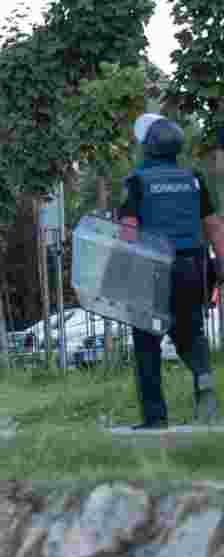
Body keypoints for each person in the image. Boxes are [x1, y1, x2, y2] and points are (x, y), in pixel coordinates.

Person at [121, 114, 223, 428]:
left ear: (147, 148)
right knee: (191, 333)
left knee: (147, 341)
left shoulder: (137, 181)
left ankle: (155, 417)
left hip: (152, 269)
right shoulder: (192, 178)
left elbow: (128, 229)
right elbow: (214, 226)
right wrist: (220, 265)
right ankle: (203, 378)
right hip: (193, 267)